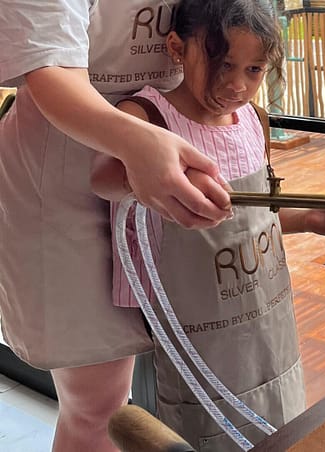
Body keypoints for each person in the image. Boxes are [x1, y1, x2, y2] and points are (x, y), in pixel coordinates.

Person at [89, 0, 325, 449]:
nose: (237, 85)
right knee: (192, 418)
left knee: (276, 411)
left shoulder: (251, 120)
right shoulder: (148, 117)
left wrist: (306, 219)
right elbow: (102, 178)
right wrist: (165, 170)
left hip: (262, 312)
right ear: (177, 48)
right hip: (188, 318)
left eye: (254, 70)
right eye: (223, 64)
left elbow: (249, 220)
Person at [0, 1, 233, 451]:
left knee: (172, 383)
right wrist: (133, 140)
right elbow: (50, 66)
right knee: (98, 406)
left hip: (164, 168)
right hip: (60, 188)